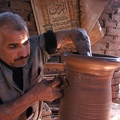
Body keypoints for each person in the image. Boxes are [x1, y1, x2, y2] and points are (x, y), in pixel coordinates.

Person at [0, 12, 91, 120]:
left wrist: (87, 59)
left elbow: (75, 33)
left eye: (26, 43)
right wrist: (34, 96)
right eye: (13, 46)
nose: (24, 53)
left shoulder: (37, 46)